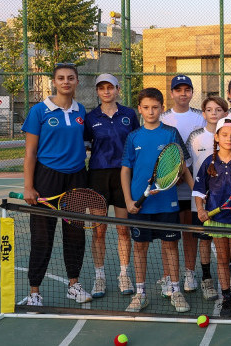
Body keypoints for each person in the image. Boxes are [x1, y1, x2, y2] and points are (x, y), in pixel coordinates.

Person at [21, 63, 92, 306]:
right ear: (54, 81)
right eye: (61, 78)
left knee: (75, 234)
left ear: (77, 81)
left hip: (76, 178)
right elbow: (30, 153)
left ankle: (74, 285)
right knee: (42, 237)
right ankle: (34, 291)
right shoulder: (39, 111)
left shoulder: (81, 110)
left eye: (70, 78)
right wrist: (28, 186)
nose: (66, 82)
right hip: (46, 178)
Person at [122, 88, 195, 313]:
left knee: (171, 246)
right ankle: (140, 293)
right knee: (140, 248)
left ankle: (175, 290)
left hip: (167, 202)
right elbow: (125, 170)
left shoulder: (171, 133)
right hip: (140, 203)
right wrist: (128, 200)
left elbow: (182, 166)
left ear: (162, 109)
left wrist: (198, 195)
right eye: (146, 108)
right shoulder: (133, 136)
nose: (151, 111)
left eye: (155, 107)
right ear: (140, 110)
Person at [193, 116, 231, 318]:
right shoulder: (208, 164)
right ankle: (226, 298)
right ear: (217, 137)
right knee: (222, 260)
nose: (229, 139)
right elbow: (200, 191)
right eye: (225, 135)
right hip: (216, 221)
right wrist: (201, 210)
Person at [84, 73, 140, 298]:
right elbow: (84, 147)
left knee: (123, 229)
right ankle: (99, 278)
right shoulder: (90, 118)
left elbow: (136, 144)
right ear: (97, 92)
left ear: (118, 89)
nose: (106, 91)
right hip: (97, 177)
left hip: (123, 176)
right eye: (101, 88)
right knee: (99, 231)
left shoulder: (129, 114)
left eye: (110, 87)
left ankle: (124, 274)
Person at [160, 75, 205, 294]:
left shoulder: (201, 117)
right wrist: (170, 174)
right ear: (172, 93)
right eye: (178, 90)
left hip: (192, 181)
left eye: (187, 89)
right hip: (168, 182)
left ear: (192, 92)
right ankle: (169, 275)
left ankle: (189, 273)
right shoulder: (163, 117)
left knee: (189, 229)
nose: (183, 93)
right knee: (168, 231)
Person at [185, 96, 228, 301]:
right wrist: (197, 192)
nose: (213, 113)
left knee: (228, 239)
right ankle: (207, 280)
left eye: (218, 110)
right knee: (204, 240)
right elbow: (184, 165)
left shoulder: (230, 136)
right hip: (201, 202)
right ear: (203, 114)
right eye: (209, 110)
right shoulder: (195, 136)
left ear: (225, 114)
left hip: (225, 202)